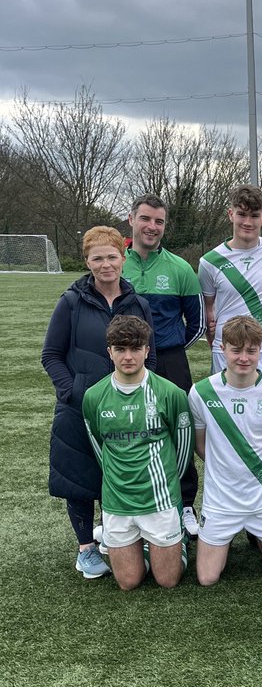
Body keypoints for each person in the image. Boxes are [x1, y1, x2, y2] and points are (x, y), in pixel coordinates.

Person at [41, 226, 156, 580]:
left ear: (123, 258)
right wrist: (73, 391)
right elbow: (51, 355)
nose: (106, 265)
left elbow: (151, 356)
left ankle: (116, 537)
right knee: (78, 477)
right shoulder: (71, 302)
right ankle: (85, 550)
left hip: (127, 407)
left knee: (121, 473)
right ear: (87, 261)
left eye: (112, 256)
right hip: (80, 408)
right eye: (97, 258)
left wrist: (140, 394)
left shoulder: (139, 304)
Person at [83, 317, 193, 591]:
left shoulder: (170, 394)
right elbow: (99, 448)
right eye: (120, 349)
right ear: (110, 352)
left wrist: (168, 486)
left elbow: (183, 450)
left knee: (167, 580)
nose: (128, 356)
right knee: (128, 582)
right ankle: (144, 547)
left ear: (147, 350)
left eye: (135, 348)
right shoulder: (94, 397)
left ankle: (176, 542)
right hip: (117, 500)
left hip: (160, 499)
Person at [189, 316, 262, 585]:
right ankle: (233, 537)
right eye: (236, 350)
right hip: (221, 501)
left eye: (251, 351)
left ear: (260, 350)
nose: (244, 358)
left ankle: (260, 534)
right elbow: (200, 445)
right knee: (207, 578)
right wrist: (226, 467)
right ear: (223, 348)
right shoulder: (201, 393)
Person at [124, 194, 205, 537]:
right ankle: (125, 505)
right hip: (124, 364)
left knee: (179, 430)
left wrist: (164, 351)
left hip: (171, 361)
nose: (152, 227)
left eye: (159, 221)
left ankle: (185, 504)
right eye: (146, 219)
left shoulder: (180, 268)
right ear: (131, 219)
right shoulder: (116, 263)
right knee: (126, 432)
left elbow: (198, 324)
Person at [198, 184, 262, 384]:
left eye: (255, 215)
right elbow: (208, 310)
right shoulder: (209, 261)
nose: (248, 222)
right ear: (231, 214)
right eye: (242, 214)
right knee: (227, 412)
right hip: (228, 350)